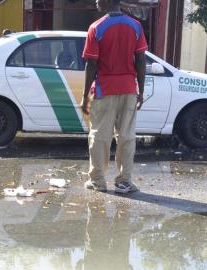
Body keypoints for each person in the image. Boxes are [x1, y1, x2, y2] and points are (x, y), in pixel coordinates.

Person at [80, 0, 148, 194]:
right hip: (128, 89)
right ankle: (124, 181)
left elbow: (91, 65)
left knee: (100, 136)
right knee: (127, 136)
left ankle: (98, 181)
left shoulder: (96, 27)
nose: (96, 1)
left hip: (104, 90)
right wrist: (140, 91)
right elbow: (141, 59)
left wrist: (85, 96)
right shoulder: (135, 26)